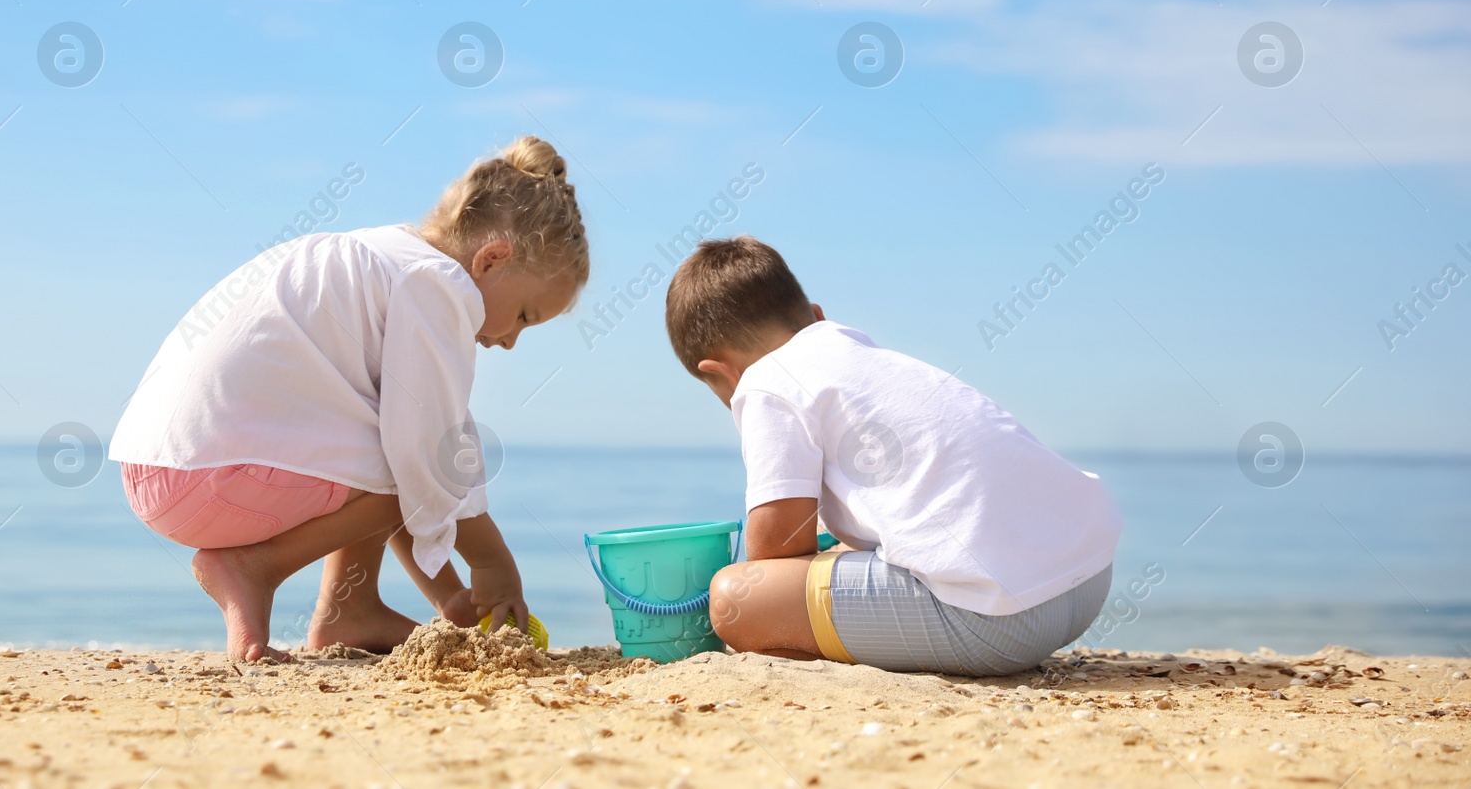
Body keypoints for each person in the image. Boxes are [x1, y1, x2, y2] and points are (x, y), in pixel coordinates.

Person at [109, 136, 586, 661]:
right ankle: (255, 566)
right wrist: (494, 568)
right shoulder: (440, 285)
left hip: (157, 464)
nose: (512, 340)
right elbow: (426, 452)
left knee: (393, 427)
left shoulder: (389, 258)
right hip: (213, 475)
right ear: (492, 261)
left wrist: (451, 597)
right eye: (523, 315)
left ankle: (350, 609)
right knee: (414, 447)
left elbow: (411, 445)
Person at [664, 236, 1120, 675]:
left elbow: (774, 551)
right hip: (1086, 583)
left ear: (721, 371)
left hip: (998, 622)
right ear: (816, 317)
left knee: (737, 596)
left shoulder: (764, 381)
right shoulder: (868, 358)